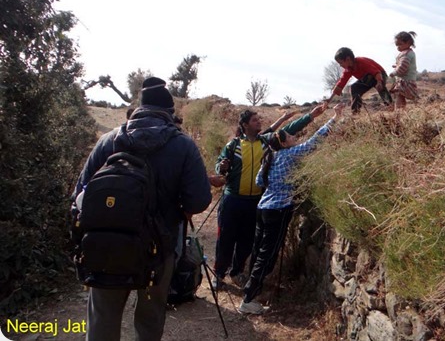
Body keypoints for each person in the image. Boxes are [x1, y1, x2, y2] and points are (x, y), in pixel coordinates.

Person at [72, 77, 214, 341]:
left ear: (139, 107)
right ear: (170, 112)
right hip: (158, 250)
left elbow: (80, 194)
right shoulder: (183, 145)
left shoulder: (108, 141)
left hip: (105, 249)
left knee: (103, 317)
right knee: (150, 317)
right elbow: (199, 200)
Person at [239, 102, 344, 315]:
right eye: (291, 137)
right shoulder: (289, 155)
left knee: (259, 249)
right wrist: (335, 118)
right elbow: (314, 142)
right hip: (278, 211)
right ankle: (248, 299)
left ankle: (250, 289)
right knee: (266, 255)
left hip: (263, 208)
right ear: (285, 143)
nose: (295, 138)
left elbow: (260, 181)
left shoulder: (270, 157)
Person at [213, 106, 325, 289]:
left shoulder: (265, 142)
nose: (259, 122)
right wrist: (222, 167)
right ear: (245, 125)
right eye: (255, 120)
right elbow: (220, 166)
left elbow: (289, 130)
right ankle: (219, 274)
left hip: (255, 202)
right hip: (232, 200)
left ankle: (237, 272)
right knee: (226, 238)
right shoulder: (233, 145)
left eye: (259, 119)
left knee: (246, 240)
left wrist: (311, 116)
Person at [325, 47, 392, 113]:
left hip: (379, 75)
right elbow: (341, 84)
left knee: (380, 87)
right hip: (366, 79)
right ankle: (355, 112)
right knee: (354, 88)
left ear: (348, 59)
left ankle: (390, 106)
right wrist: (329, 99)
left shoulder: (362, 62)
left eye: (341, 63)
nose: (340, 65)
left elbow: (376, 72)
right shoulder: (348, 70)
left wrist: (379, 82)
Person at [389, 31, 419, 110]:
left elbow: (403, 67)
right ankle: (402, 111)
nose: (398, 47)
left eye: (400, 44)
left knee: (399, 96)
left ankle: (398, 112)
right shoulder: (407, 53)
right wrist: (396, 66)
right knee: (401, 96)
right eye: (397, 45)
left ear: (408, 43)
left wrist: (394, 72)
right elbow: (404, 65)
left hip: (405, 80)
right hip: (405, 79)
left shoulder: (406, 54)